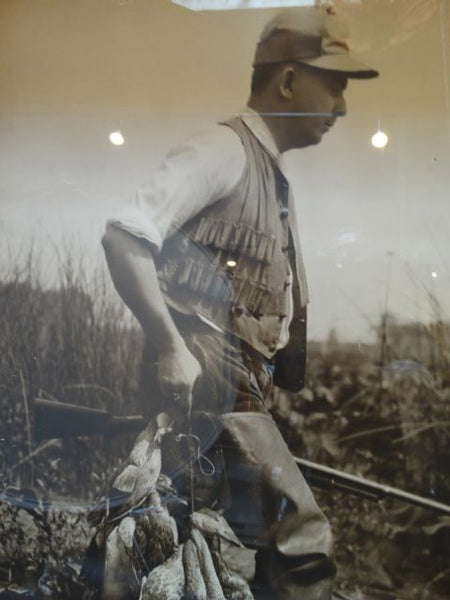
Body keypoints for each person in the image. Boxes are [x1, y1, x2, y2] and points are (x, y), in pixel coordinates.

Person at [102, 6, 378, 599]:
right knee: (300, 541)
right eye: (334, 84)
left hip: (238, 394)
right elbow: (124, 238)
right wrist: (171, 347)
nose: (342, 107)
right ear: (287, 80)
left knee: (219, 561)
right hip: (206, 385)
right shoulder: (222, 151)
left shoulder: (273, 179)